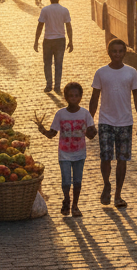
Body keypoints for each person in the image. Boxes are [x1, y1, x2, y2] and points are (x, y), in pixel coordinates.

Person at [88, 39, 137, 208]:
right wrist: (89, 121)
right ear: (109, 52)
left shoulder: (131, 73)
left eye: (120, 51)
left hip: (125, 123)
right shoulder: (101, 73)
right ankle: (107, 184)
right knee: (105, 157)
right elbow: (94, 98)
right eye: (114, 51)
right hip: (105, 121)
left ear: (124, 53)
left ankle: (118, 194)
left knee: (122, 159)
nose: (117, 54)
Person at [36, 82, 97, 217]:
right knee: (66, 181)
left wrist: (93, 131)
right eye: (71, 96)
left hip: (80, 154)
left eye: (76, 96)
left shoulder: (85, 114)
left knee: (77, 181)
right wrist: (43, 131)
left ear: (81, 97)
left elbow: (92, 134)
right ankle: (67, 199)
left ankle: (75, 205)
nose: (74, 98)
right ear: (66, 97)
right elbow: (53, 133)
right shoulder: (60, 114)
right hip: (64, 153)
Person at [34, 0, 73, 94]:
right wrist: (71, 40)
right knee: (58, 64)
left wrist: (36, 40)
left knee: (47, 63)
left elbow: (40, 26)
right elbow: (68, 26)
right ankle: (57, 86)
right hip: (60, 40)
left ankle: (48, 84)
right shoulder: (64, 10)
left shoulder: (45, 10)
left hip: (48, 40)